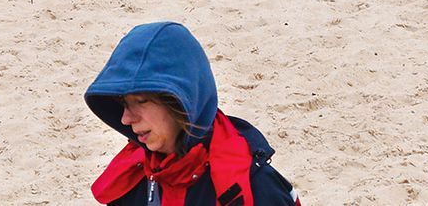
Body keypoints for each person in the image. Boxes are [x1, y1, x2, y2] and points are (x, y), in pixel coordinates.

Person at [84, 21, 301, 205]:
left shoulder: (255, 188)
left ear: (179, 102)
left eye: (140, 101)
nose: (125, 118)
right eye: (124, 104)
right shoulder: (132, 181)